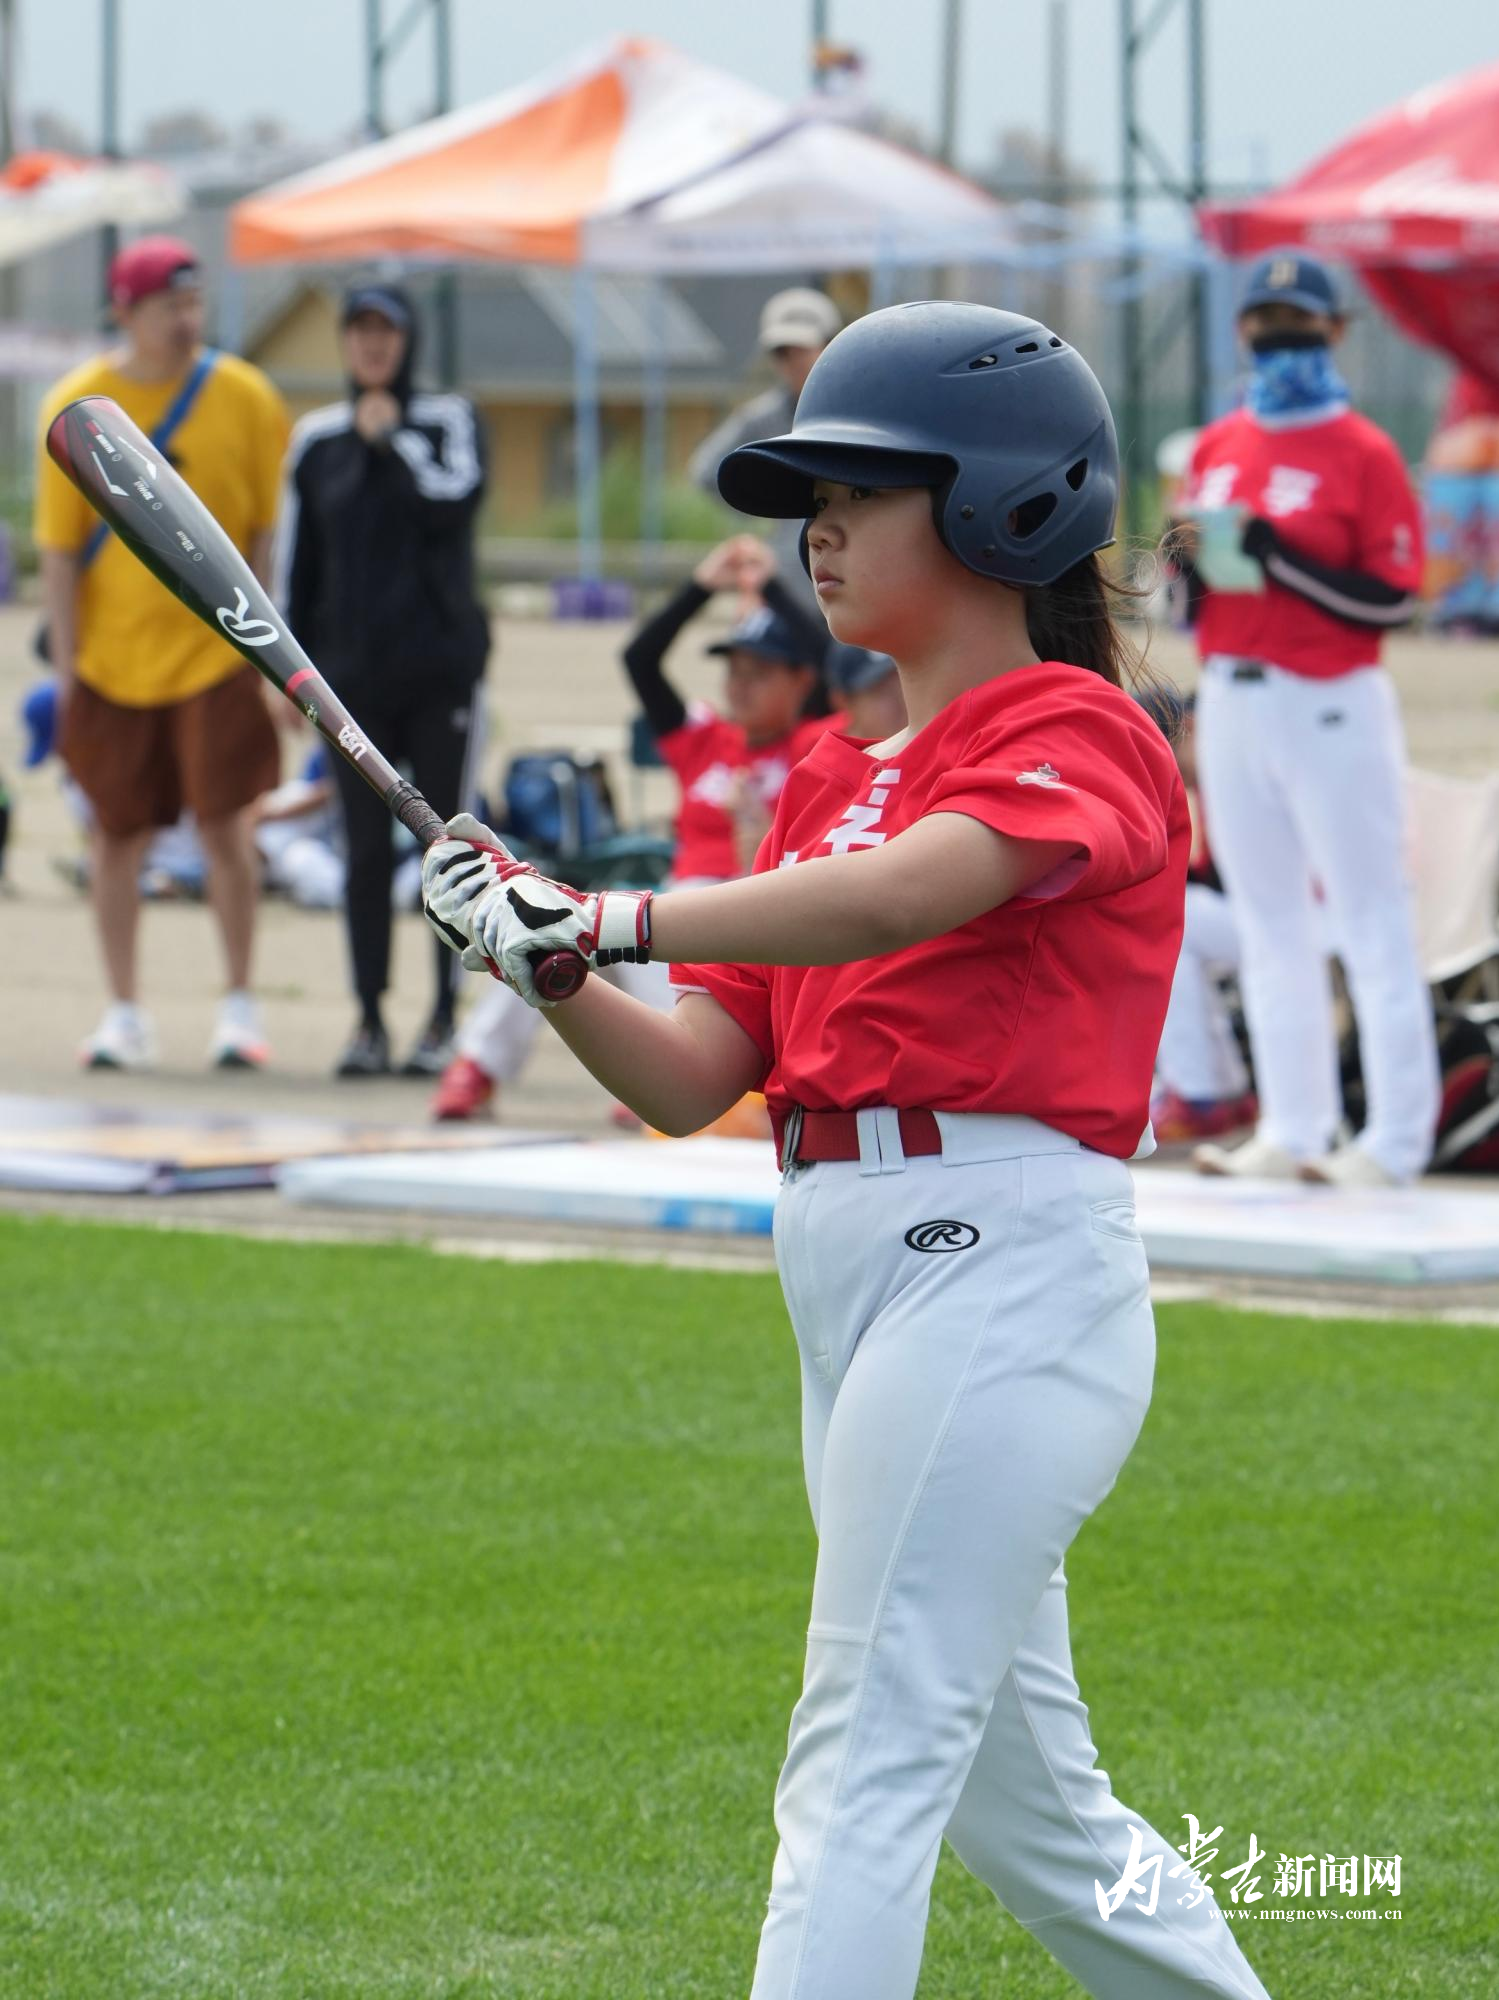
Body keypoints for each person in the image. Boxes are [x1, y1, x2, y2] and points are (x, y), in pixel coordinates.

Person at [420, 302, 1272, 2000]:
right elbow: (692, 1078)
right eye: (812, 494)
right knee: (1032, 1820)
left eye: (862, 489)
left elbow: (912, 893)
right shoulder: (824, 777)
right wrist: (546, 965)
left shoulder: (1079, 728)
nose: (819, 527)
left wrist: (611, 910)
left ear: (1006, 504)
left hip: (1001, 1263)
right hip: (849, 1268)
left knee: (861, 1761)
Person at [1170, 253, 1439, 1185]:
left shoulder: (1362, 452)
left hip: (1328, 698)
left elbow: (1391, 599)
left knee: (1368, 915)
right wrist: (1189, 564)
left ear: (1334, 330)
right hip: (1232, 692)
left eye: (1297, 318)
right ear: (1240, 329)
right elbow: (1193, 601)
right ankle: (1293, 1127)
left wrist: (1280, 556)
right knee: (1266, 919)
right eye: (1264, 318)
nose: (1278, 335)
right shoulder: (1218, 443)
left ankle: (1394, 1139)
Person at [429, 532, 832, 1122]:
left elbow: (832, 661)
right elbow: (640, 659)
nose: (739, 684)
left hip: (750, 939)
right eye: (734, 669)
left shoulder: (818, 742)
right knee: (542, 926)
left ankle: (658, 1087)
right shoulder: (706, 740)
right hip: (676, 928)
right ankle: (477, 1067)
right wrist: (702, 587)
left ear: (802, 681)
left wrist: (769, 585)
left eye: (761, 671)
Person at [34, 234, 290, 1070]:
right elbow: (59, 554)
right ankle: (123, 1011)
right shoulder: (77, 405)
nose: (185, 320)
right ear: (125, 312)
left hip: (217, 656)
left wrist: (267, 656)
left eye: (193, 302)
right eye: (167, 306)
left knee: (227, 829)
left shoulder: (245, 396)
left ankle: (240, 1006)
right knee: (115, 837)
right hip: (112, 663)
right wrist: (69, 673)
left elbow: (261, 538)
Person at [274, 280, 489, 1079]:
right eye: (359, 329)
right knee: (363, 852)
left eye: (386, 331)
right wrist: (285, 672)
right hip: (349, 687)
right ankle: (368, 1018)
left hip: (440, 676)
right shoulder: (316, 440)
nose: (372, 344)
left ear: (407, 341)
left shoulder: (447, 420)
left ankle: (443, 1018)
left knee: (447, 846)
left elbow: (454, 502)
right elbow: (297, 568)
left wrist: (392, 440)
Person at [1141, 688, 1259, 1144]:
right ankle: (1220, 1094)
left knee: (1168, 920)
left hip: (1315, 923)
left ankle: (1199, 1097)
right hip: (1286, 920)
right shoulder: (1219, 773)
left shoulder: (1236, 767)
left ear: (1188, 729)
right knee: (1177, 927)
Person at [690, 288, 842, 596]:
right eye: (782, 352)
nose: (792, 361)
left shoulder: (857, 414)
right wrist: (765, 504)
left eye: (801, 348)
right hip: (786, 582)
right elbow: (705, 470)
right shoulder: (761, 418)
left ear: (830, 345)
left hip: (849, 569)